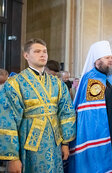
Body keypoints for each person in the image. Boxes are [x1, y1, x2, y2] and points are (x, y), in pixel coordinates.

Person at [0, 38, 76, 172]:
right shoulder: (15, 83)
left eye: (45, 51)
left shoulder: (57, 84)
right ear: (26, 55)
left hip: (54, 144)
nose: (43, 54)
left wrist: (65, 143)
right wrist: (12, 157)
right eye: (37, 51)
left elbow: (66, 113)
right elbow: (7, 120)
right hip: (28, 146)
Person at [68, 41, 112, 173]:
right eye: (107, 58)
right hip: (102, 133)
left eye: (111, 57)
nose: (110, 60)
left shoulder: (111, 78)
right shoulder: (92, 78)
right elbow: (99, 105)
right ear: (97, 61)